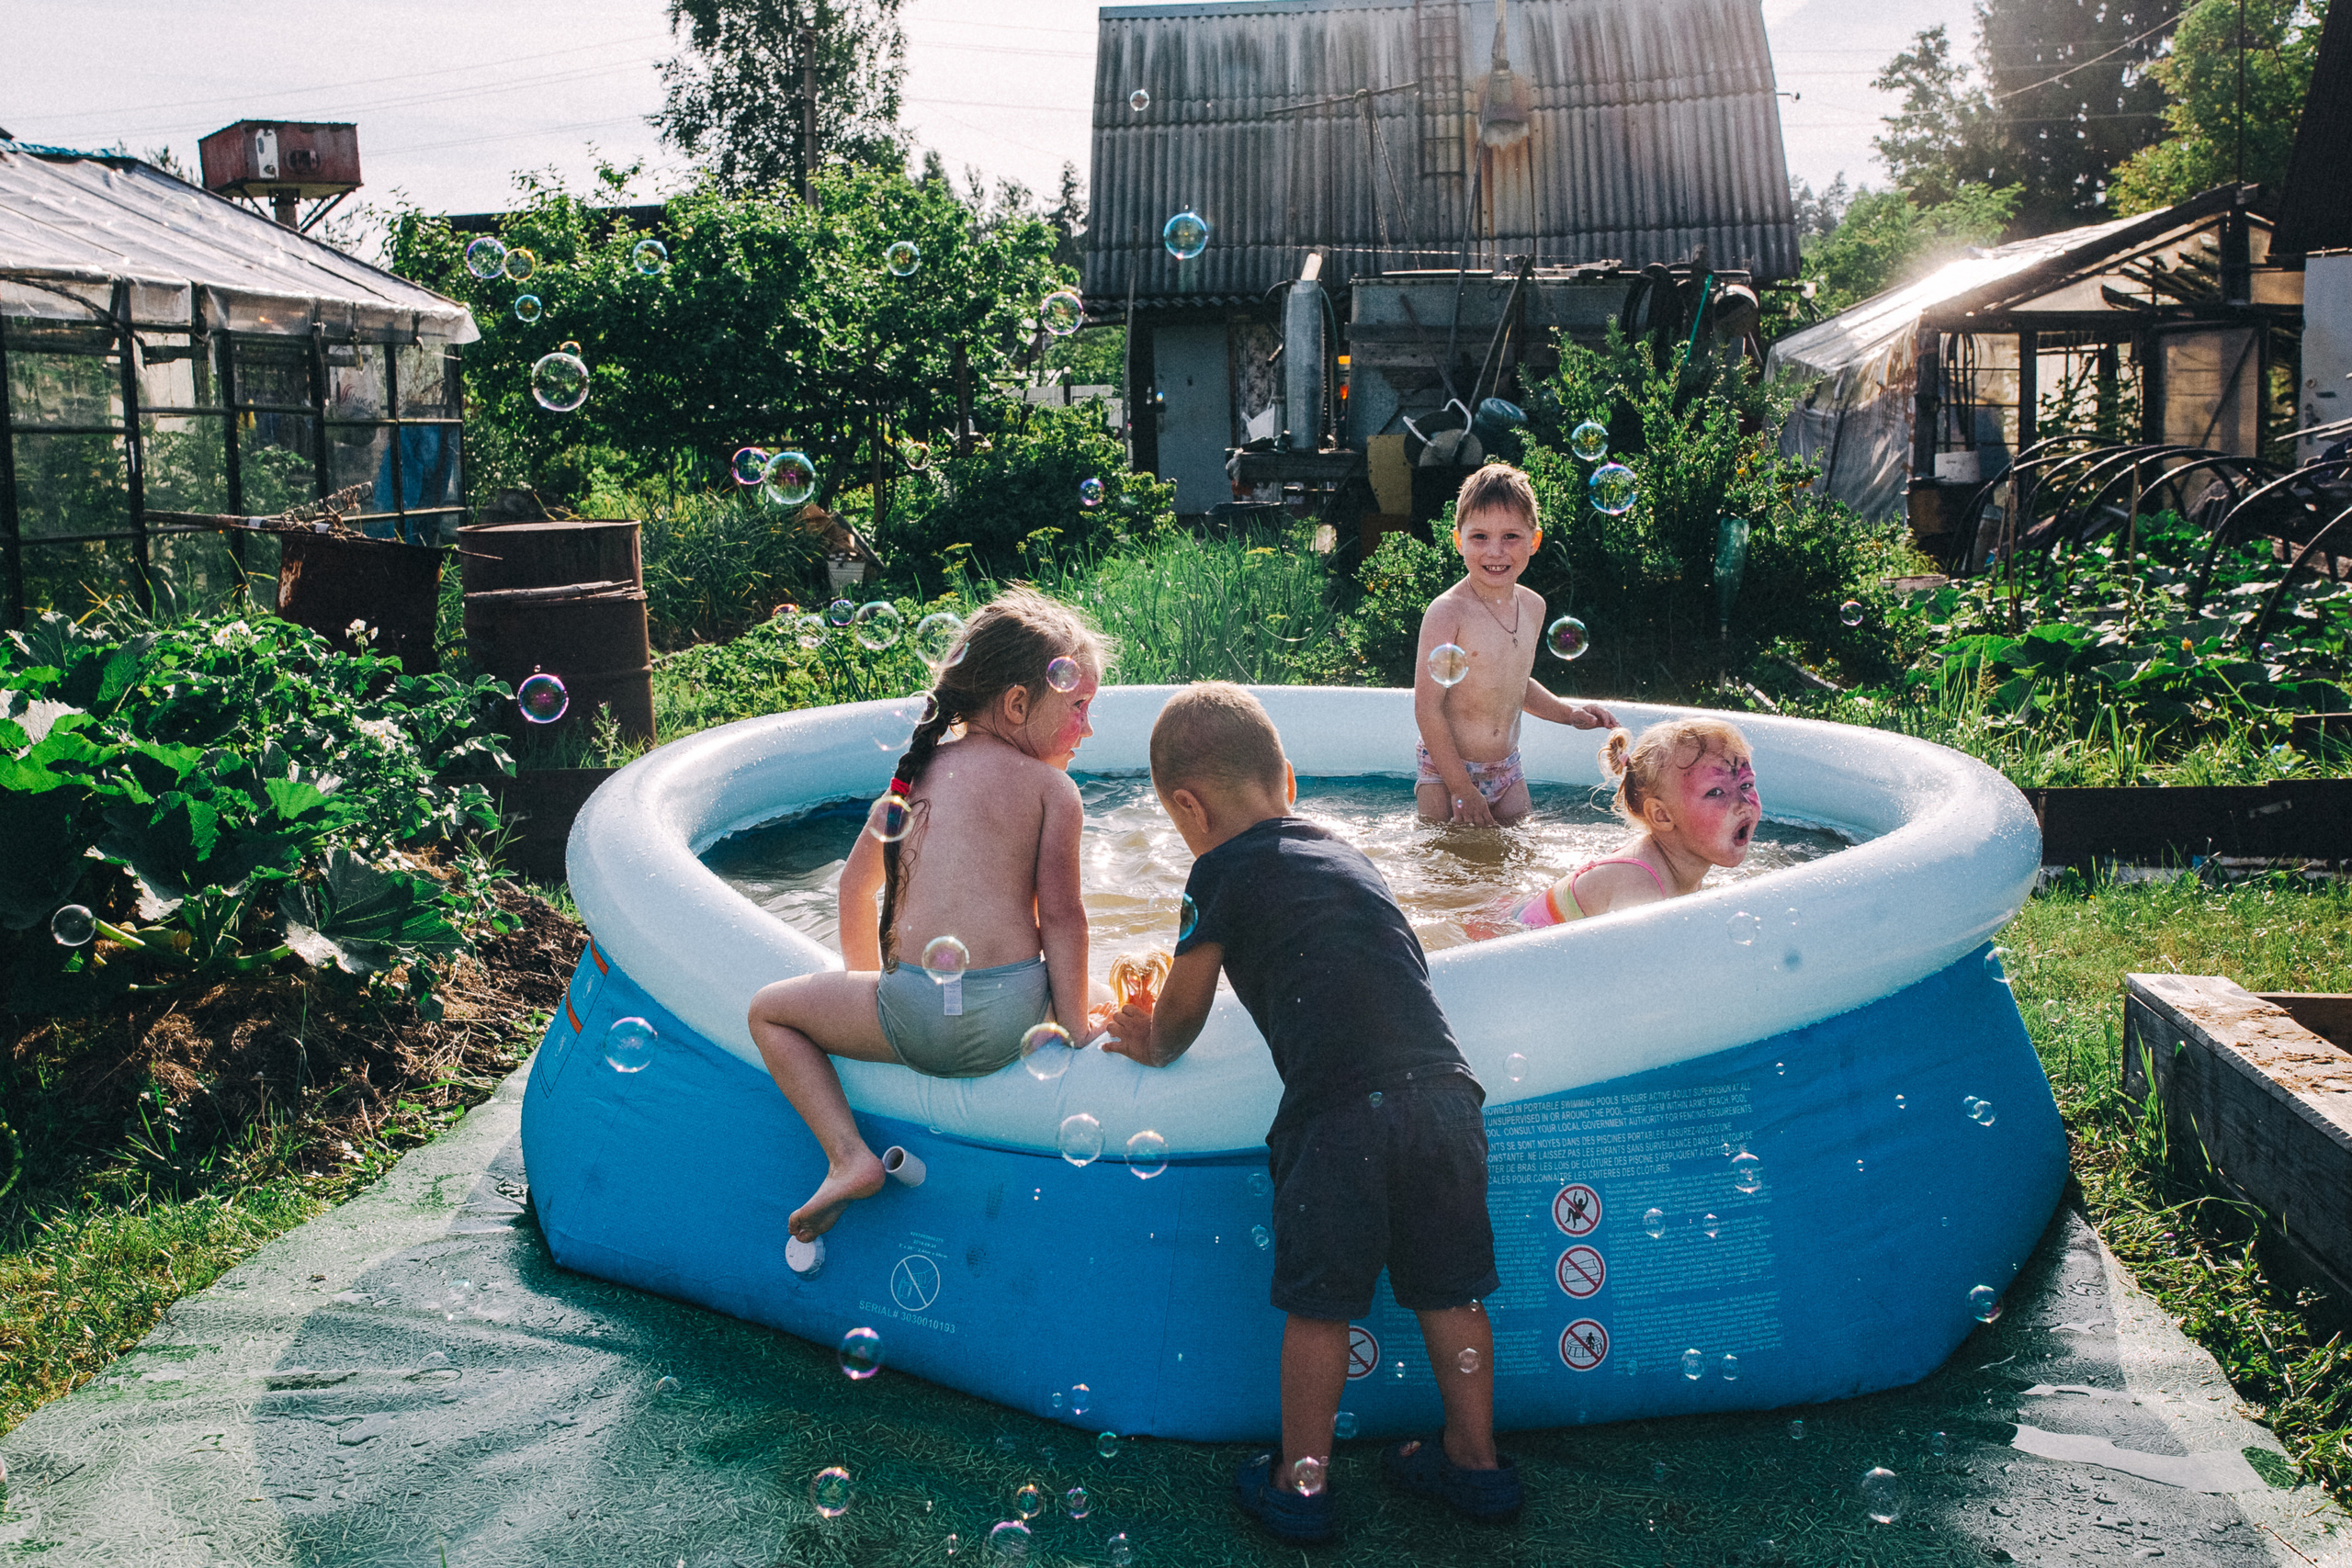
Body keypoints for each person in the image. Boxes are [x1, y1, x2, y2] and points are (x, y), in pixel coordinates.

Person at [1102, 682, 1521, 1543]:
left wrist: (1144, 1033)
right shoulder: (1349, 852)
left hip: (1339, 1117)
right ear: (1287, 780)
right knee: (1451, 1291)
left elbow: (1179, 1023)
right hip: (1446, 1094)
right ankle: (1477, 1464)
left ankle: (1302, 1485)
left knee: (1322, 1307)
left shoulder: (1215, 870)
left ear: (1188, 806)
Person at [747, 589, 1108, 1244]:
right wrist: (1077, 1026)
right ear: (1018, 703)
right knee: (1109, 988)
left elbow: (854, 890)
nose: (1088, 728)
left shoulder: (914, 776)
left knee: (768, 1011)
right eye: (1078, 706)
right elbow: (1065, 919)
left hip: (909, 1015)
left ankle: (847, 1155)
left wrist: (871, 991)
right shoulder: (1055, 791)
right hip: (1016, 1017)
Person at [1414, 464, 1617, 827]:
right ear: (1458, 541)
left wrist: (1567, 714)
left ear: (1534, 541)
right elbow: (1428, 709)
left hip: (1507, 768)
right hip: (1447, 773)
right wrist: (1461, 787)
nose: (1495, 551)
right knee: (1445, 863)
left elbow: (1515, 682)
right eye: (1479, 537)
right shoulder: (1448, 612)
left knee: (1520, 859)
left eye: (1510, 536)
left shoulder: (1534, 606)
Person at [1473, 717, 1758, 937]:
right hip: (1508, 937)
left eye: (1746, 784)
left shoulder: (1682, 863)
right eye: (1716, 792)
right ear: (1661, 815)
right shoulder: (1637, 885)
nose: (1743, 803)